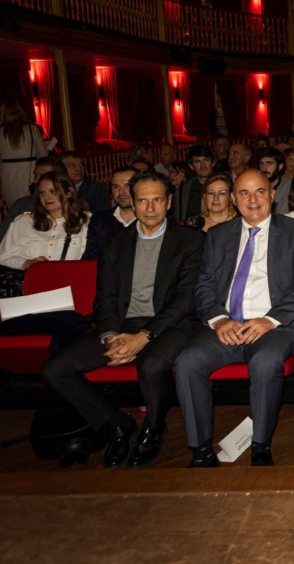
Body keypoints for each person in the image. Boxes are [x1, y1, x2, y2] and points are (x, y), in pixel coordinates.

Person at [43, 170, 204, 469]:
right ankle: (116, 423)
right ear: (132, 201)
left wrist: (143, 337)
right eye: (143, 200)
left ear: (169, 201)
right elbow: (104, 297)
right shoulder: (115, 242)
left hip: (170, 326)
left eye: (158, 199)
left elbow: (185, 300)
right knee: (56, 369)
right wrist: (110, 336)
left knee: (152, 364)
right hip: (121, 325)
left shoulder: (190, 240)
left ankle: (154, 428)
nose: (151, 208)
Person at [174, 169, 294, 468]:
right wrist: (220, 319)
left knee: (265, 362)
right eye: (244, 193)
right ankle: (200, 450)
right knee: (187, 362)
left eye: (260, 192)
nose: (253, 200)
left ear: (271, 195)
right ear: (234, 200)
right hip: (226, 325)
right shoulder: (217, 235)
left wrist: (270, 320)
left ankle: (260, 445)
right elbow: (203, 286)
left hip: (276, 326)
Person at [0, 171, 89, 271]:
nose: (46, 197)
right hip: (28, 283)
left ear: (69, 192)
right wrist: (27, 263)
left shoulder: (87, 222)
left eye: (53, 191)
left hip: (67, 282)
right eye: (42, 193)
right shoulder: (23, 222)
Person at [0, 156, 64, 246]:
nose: (36, 181)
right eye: (35, 175)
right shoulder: (23, 204)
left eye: (43, 176)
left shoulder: (75, 205)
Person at [0, 101, 48, 207]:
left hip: (9, 172)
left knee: (15, 206)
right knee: (35, 204)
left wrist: (2, 164)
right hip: (31, 170)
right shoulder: (32, 129)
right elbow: (43, 153)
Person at [82, 166, 138, 260]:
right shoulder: (99, 220)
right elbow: (90, 258)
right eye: (116, 186)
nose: (121, 192)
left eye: (127, 186)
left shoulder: (150, 219)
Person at [171, 146, 214, 222]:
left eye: (206, 160)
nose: (203, 165)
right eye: (197, 162)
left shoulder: (224, 185)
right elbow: (178, 217)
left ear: (213, 163)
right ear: (191, 166)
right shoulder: (183, 188)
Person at [256, 147, 288, 215]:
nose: (264, 168)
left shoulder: (290, 185)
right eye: (261, 164)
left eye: (269, 163)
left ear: (280, 166)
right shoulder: (254, 187)